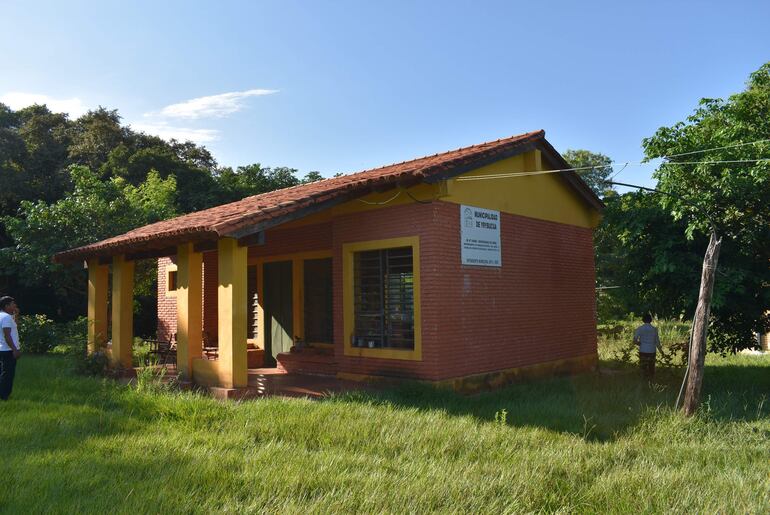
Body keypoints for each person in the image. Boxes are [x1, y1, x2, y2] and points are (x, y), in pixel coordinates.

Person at [0, 296, 21, 400]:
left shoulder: (3, 316)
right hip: (8, 350)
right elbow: (7, 335)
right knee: (8, 374)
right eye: (13, 304)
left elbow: (15, 326)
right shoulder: (6, 317)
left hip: (2, 349)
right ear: (7, 305)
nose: (15, 306)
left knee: (3, 372)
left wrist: (15, 314)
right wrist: (15, 349)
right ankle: (4, 396)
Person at [633, 312, 662, 379]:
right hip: (652, 350)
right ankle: (651, 380)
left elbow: (634, 340)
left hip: (643, 350)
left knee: (643, 366)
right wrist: (661, 351)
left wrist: (639, 343)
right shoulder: (654, 329)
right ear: (651, 320)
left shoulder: (640, 329)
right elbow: (657, 342)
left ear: (643, 320)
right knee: (651, 366)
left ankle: (643, 380)